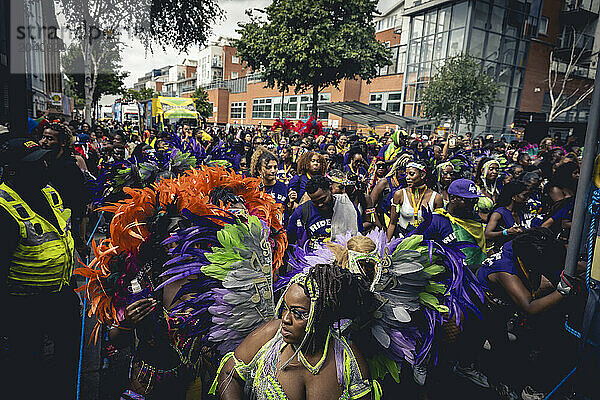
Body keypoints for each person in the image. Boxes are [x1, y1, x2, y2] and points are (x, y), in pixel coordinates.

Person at [211, 264, 375, 400]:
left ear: (322, 318)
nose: (285, 319)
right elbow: (229, 373)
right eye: (285, 308)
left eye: (298, 313)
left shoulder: (349, 362)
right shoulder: (270, 335)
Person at [0, 137, 79, 399]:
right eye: (35, 164)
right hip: (25, 305)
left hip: (62, 294)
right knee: (27, 367)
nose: (44, 166)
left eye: (44, 159)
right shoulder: (4, 208)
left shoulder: (48, 192)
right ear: (12, 171)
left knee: (67, 360)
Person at [39, 123, 90, 256]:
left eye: (50, 139)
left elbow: (79, 205)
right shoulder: (43, 163)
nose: (44, 142)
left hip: (66, 227)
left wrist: (80, 237)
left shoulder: (69, 168)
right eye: (43, 137)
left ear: (62, 143)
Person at [419, 178, 487, 267]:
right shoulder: (435, 221)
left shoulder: (474, 218)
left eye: (475, 200)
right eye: (468, 201)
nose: (472, 204)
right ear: (452, 199)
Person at [287, 176, 361, 251]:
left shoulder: (349, 208)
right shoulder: (302, 211)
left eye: (323, 199)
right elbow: (290, 240)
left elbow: (359, 238)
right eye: (315, 202)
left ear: (330, 189)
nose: (320, 204)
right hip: (312, 259)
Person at [387, 161, 443, 239]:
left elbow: (438, 225)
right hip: (403, 240)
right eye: (406, 174)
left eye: (411, 174)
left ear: (422, 175)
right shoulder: (399, 194)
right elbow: (392, 223)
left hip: (426, 241)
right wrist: (387, 244)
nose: (407, 178)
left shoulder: (436, 198)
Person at [485, 181, 528, 253]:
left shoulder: (519, 211)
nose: (527, 198)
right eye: (524, 195)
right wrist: (506, 232)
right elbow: (487, 234)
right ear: (514, 197)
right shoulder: (499, 213)